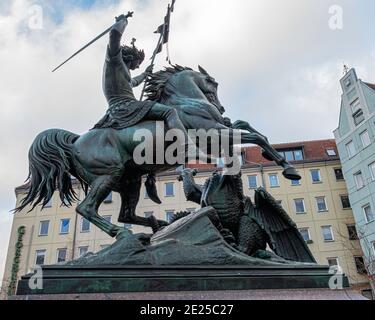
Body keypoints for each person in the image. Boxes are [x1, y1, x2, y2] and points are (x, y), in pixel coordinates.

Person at [94, 15, 193, 162]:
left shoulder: (121, 71)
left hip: (121, 108)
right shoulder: (114, 60)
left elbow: (132, 82)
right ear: (130, 57)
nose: (138, 65)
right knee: (169, 111)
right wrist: (123, 21)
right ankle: (188, 147)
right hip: (126, 107)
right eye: (137, 62)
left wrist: (145, 74)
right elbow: (114, 35)